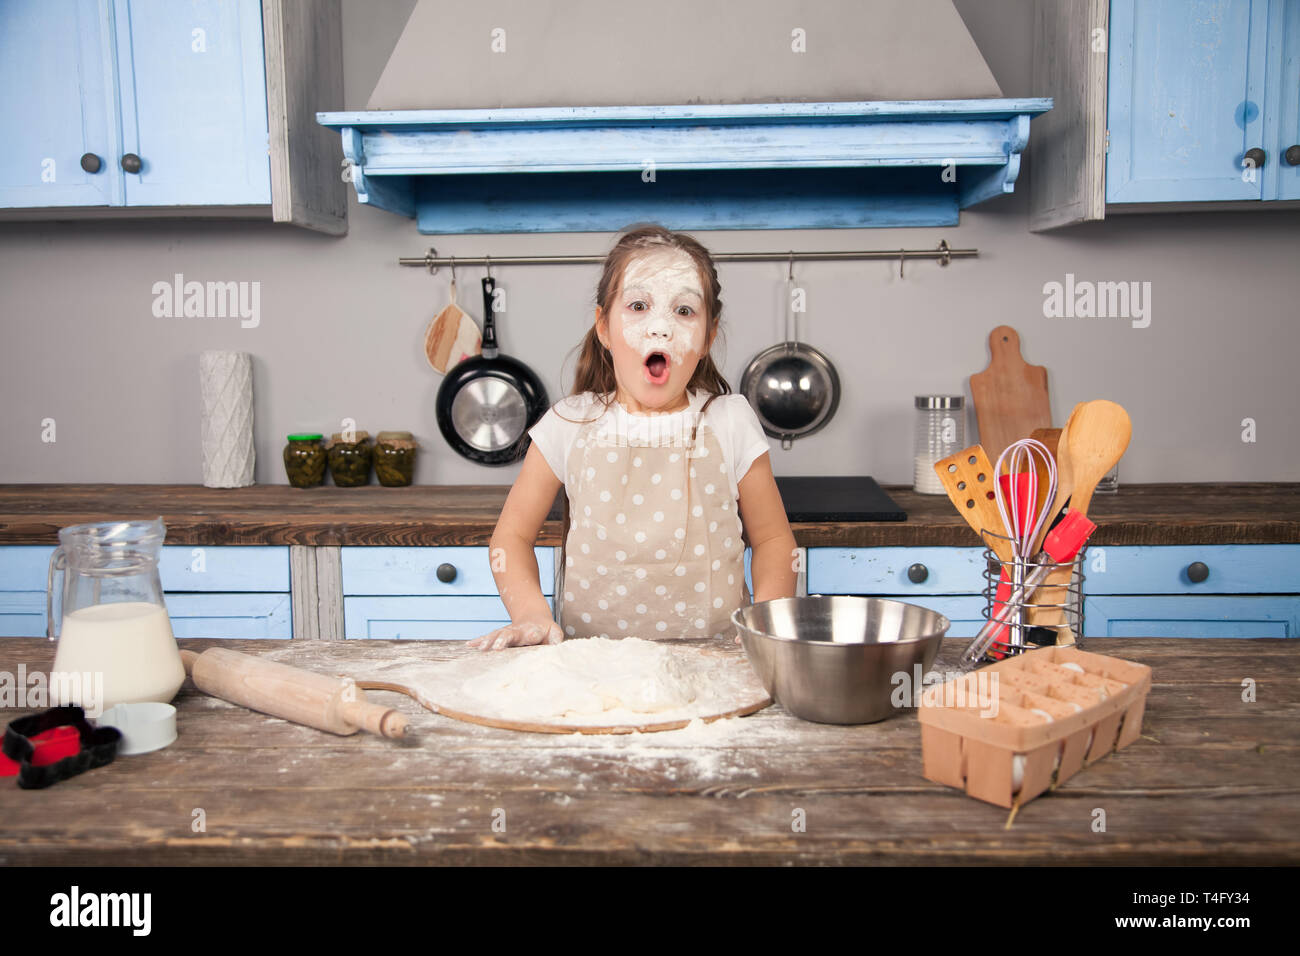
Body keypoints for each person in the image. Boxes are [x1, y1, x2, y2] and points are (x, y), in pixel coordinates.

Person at [468, 223, 796, 651]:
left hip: (718, 660)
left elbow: (773, 540)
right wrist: (532, 615)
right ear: (603, 327)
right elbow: (509, 538)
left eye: (683, 311)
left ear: (708, 337)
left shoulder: (730, 421)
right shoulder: (569, 423)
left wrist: (765, 628)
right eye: (639, 305)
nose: (660, 327)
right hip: (593, 663)